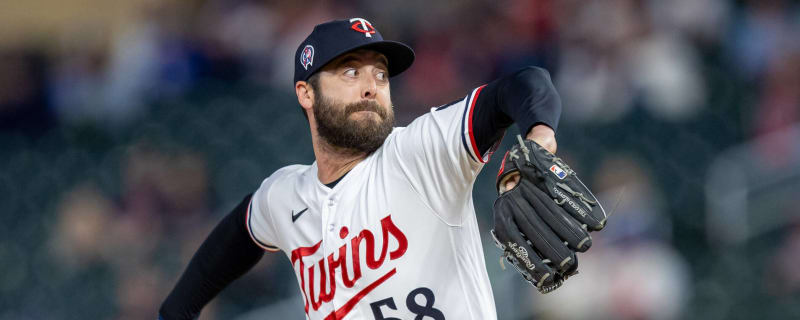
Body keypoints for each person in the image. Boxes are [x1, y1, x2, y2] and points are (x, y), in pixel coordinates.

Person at [158, 17, 563, 320]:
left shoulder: (419, 152)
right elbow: (236, 236)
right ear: (306, 93)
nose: (372, 85)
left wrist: (541, 136)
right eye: (351, 71)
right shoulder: (285, 196)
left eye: (381, 74)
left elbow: (525, 84)